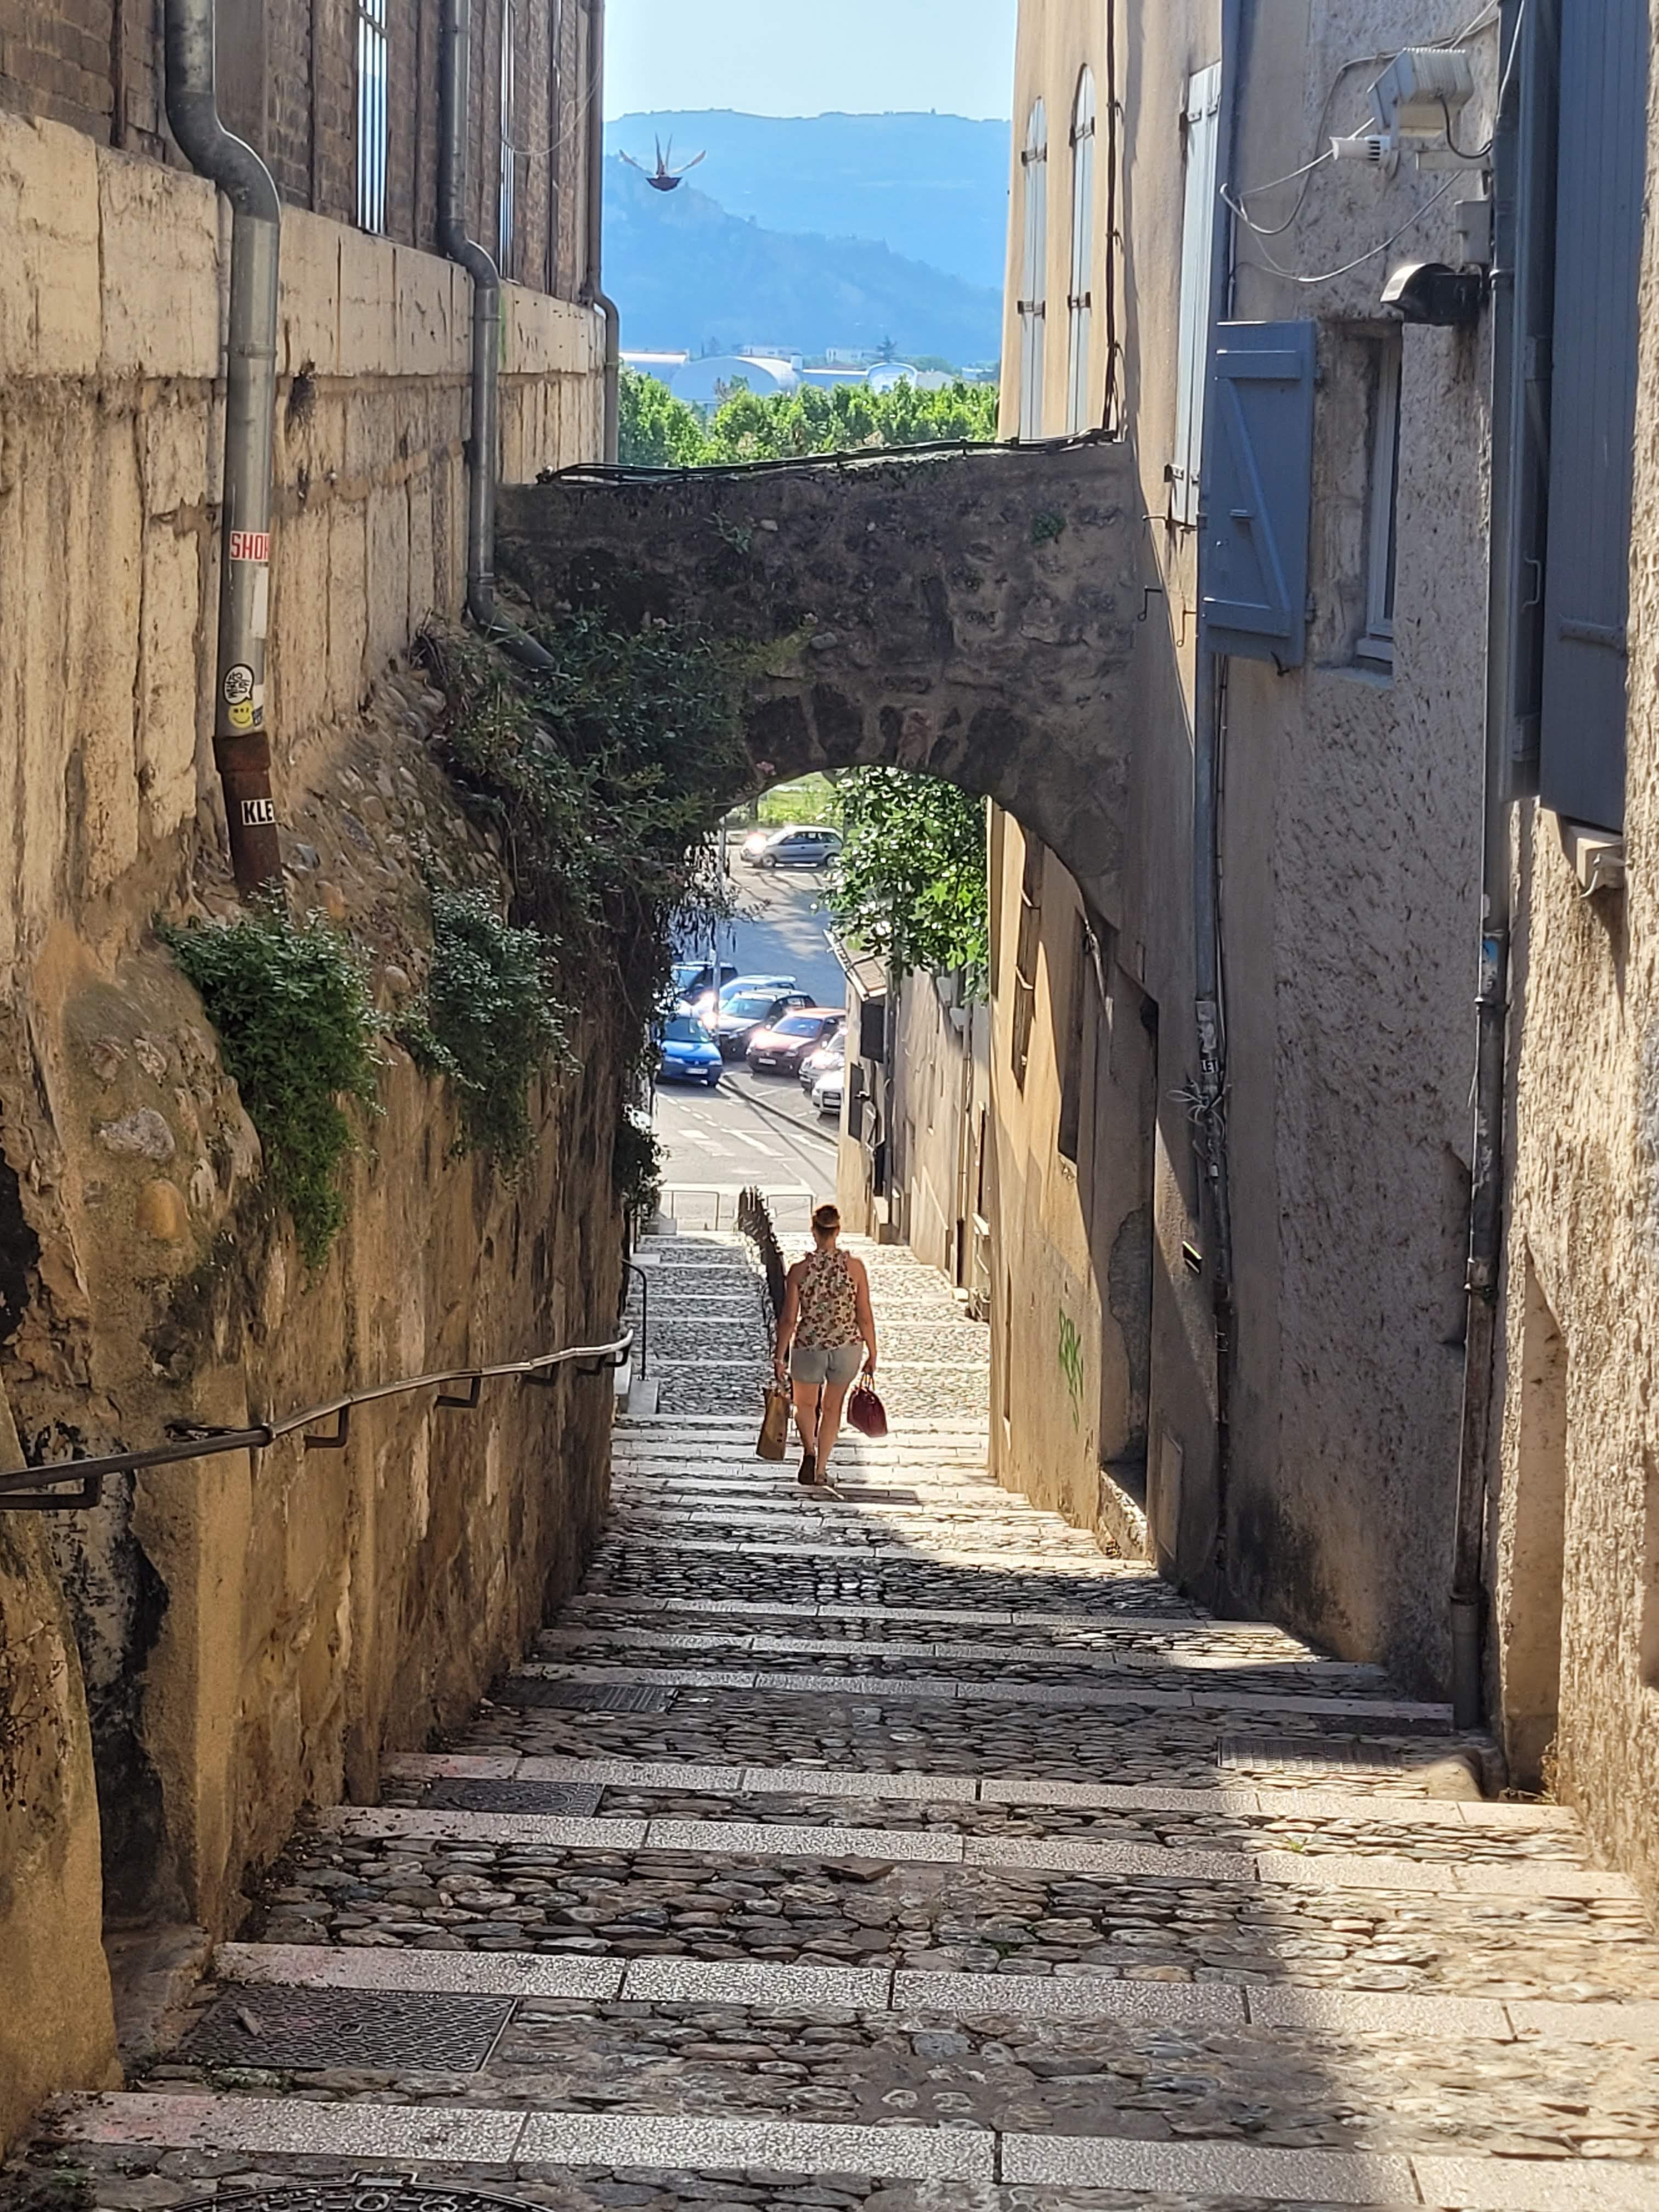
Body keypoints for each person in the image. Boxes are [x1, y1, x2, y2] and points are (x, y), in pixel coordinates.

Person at [774, 1202, 877, 1487]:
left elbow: (789, 1319)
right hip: (846, 1347)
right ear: (838, 1231)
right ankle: (821, 1470)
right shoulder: (855, 1269)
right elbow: (864, 1314)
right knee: (832, 1408)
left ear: (814, 1231)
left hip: (808, 1347)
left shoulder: (799, 1271)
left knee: (805, 1405)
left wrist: (779, 1357)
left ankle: (809, 1450)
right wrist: (873, 1351)